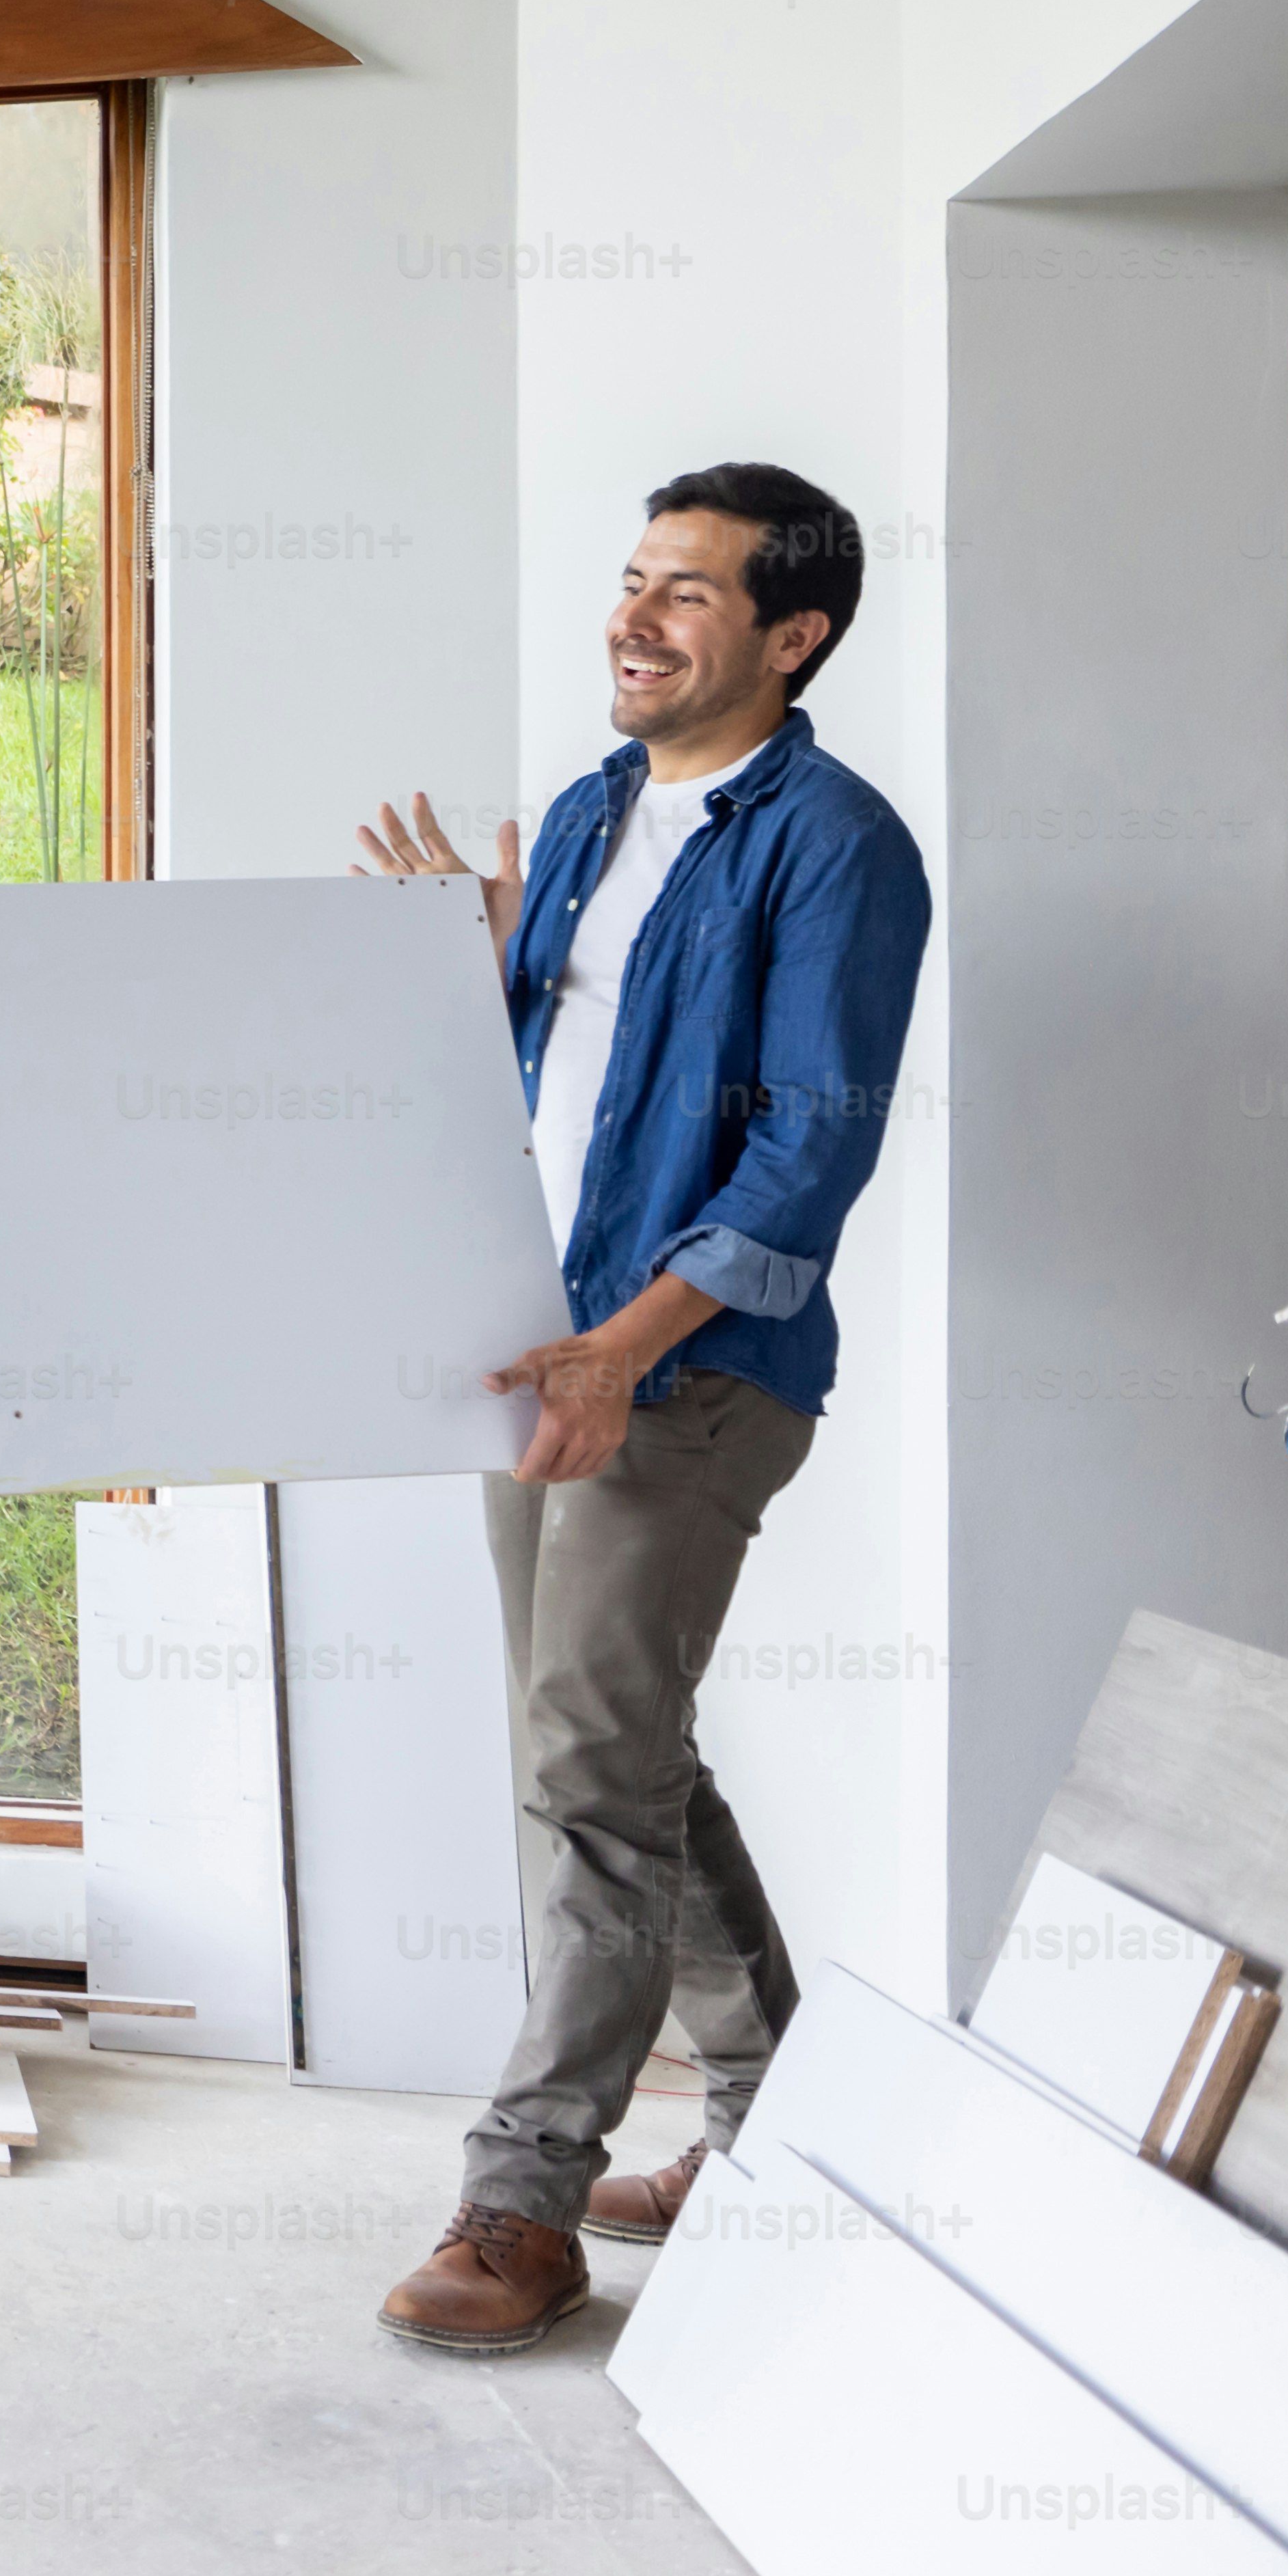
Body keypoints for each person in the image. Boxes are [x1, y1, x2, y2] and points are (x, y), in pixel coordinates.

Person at [350, 462, 931, 2356]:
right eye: (630, 580)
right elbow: (554, 1078)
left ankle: (521, 2207)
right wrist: (469, 950)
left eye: (687, 593)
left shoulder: (836, 845)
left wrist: (629, 1349)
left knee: (588, 1778)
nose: (635, 616)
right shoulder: (603, 813)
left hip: (683, 1380)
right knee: (610, 1765)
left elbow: (806, 1162)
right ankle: (773, 2118)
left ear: (793, 636)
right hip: (543, 1355)